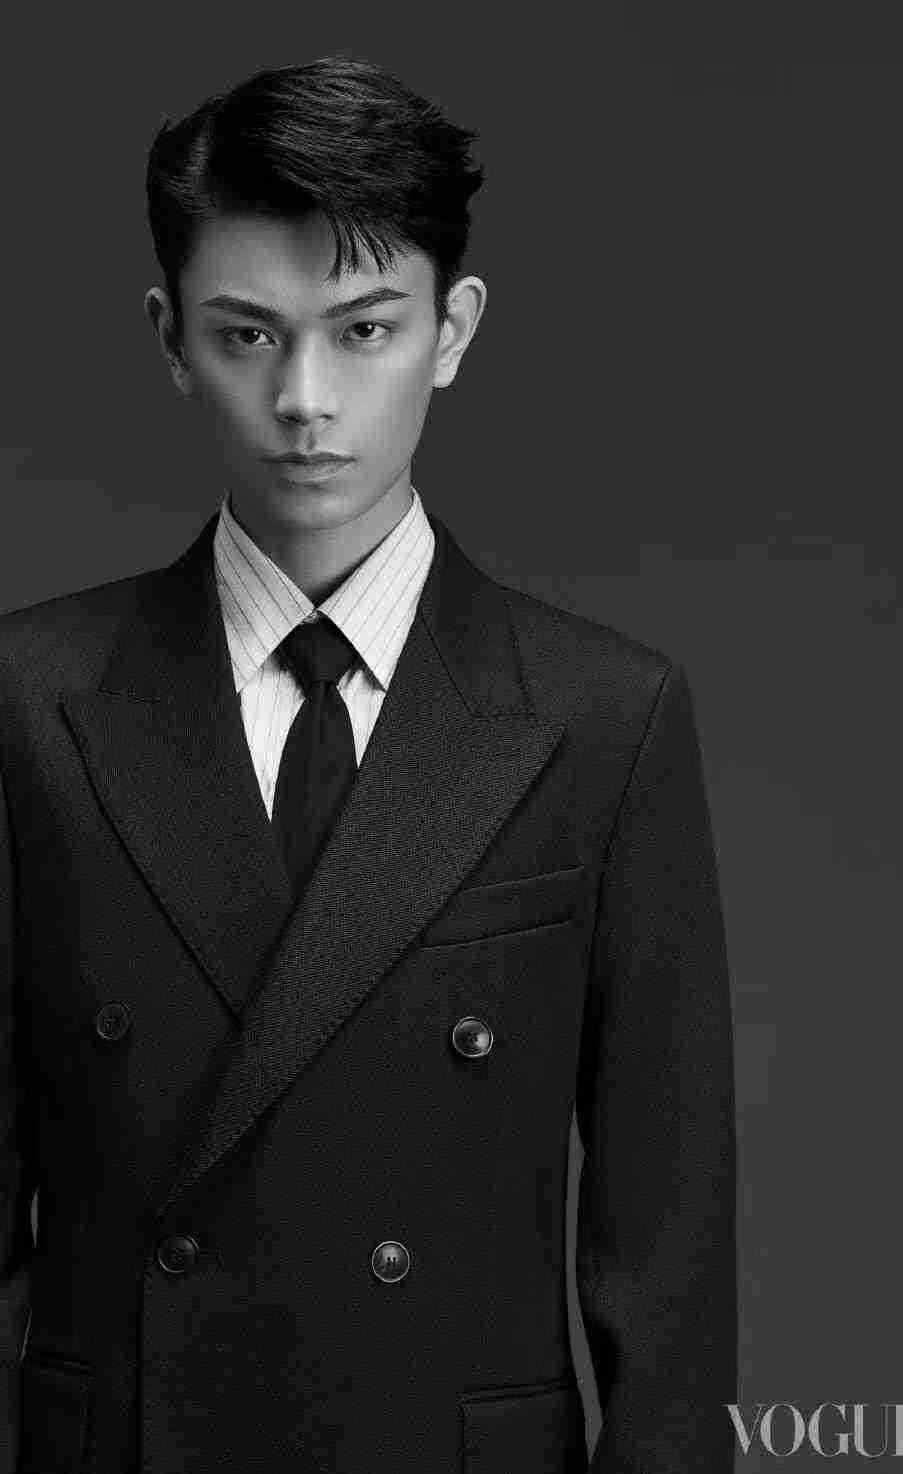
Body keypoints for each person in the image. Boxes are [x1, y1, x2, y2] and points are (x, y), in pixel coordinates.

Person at [0, 54, 737, 1474]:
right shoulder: (30, 703)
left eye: (365, 330)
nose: (304, 399)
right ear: (169, 338)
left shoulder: (604, 717)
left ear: (452, 329)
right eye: (247, 334)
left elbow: (670, 1272)